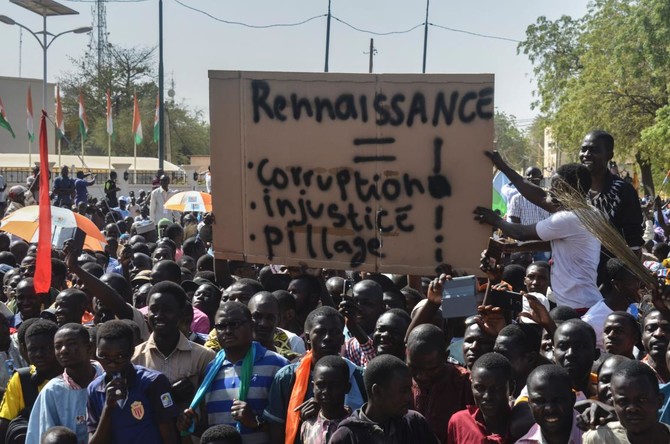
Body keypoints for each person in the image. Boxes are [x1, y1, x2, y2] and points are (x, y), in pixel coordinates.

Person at [475, 162, 602, 312]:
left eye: (556, 188)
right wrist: (518, 248)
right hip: (584, 302)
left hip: (578, 306)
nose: (551, 193)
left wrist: (495, 219)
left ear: (570, 190)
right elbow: (555, 243)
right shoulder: (591, 212)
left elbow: (518, 232)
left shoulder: (569, 218)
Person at [177, 301, 289, 442]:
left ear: (251, 325)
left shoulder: (278, 365)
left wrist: (255, 422)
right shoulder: (211, 370)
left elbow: (290, 423)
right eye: (221, 326)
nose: (228, 331)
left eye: (235, 324)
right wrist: (189, 424)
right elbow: (209, 428)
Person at [264, 307, 366, 444]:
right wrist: (305, 419)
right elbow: (276, 430)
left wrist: (328, 411)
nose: (328, 338)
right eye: (320, 332)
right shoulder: (287, 377)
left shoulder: (359, 377)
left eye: (334, 332)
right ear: (307, 338)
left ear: (342, 339)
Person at [87, 320, 180, 443]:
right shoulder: (95, 389)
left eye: (119, 357)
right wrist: (108, 408)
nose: (112, 363)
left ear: (131, 352)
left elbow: (170, 437)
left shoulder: (152, 382)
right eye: (104, 356)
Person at [131, 282, 215, 410]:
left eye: (167, 310)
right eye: (154, 310)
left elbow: (209, 404)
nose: (159, 316)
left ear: (181, 313)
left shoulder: (204, 356)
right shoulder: (134, 357)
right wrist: (169, 397)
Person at [329, 354, 438, 444]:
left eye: (409, 390)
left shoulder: (414, 423)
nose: (409, 397)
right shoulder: (347, 436)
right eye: (403, 391)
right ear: (377, 391)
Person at [26, 323, 102, 443]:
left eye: (71, 344)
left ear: (89, 348)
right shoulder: (52, 390)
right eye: (57, 346)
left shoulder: (107, 380)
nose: (63, 351)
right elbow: (43, 436)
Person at [406, 324, 473, 443]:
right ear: (406, 353)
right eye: (414, 368)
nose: (421, 376)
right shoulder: (399, 380)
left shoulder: (465, 383)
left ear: (445, 356)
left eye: (431, 370)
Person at [0, 320, 62, 444]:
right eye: (33, 349)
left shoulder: (73, 377)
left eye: (46, 348)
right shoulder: (22, 379)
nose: (39, 354)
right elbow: (5, 424)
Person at [585, 360, 670, 443]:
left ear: (659, 401)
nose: (632, 408)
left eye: (642, 400)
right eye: (623, 402)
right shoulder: (599, 439)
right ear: (614, 403)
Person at [447, 352, 514, 443]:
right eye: (480, 388)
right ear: (471, 387)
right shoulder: (459, 422)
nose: (487, 396)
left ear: (512, 387)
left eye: (496, 388)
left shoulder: (524, 427)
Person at [581, 258, 642, 352]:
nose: (642, 285)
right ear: (617, 284)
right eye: (636, 280)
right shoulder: (592, 321)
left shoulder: (633, 309)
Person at [516, 364, 582, 444]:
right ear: (530, 404)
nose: (550, 408)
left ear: (572, 399)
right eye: (540, 401)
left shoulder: (596, 436)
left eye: (557, 400)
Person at [300, 356, 352, 444]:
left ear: (347, 387)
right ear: (313, 387)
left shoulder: (355, 429)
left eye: (334, 385)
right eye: (321, 385)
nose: (326, 391)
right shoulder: (308, 426)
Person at [494, 323, 549, 398]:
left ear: (530, 359)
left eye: (504, 356)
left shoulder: (543, 397)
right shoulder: (492, 393)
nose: (496, 360)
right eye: (495, 354)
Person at [340, 280, 386, 367]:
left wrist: (354, 328)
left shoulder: (385, 340)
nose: (359, 308)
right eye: (355, 302)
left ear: (382, 307)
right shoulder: (346, 340)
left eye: (367, 303)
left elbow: (377, 367)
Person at [640, 309, 670, 383]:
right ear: (642, 339)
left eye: (667, 329)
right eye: (650, 329)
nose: (658, 333)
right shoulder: (634, 377)